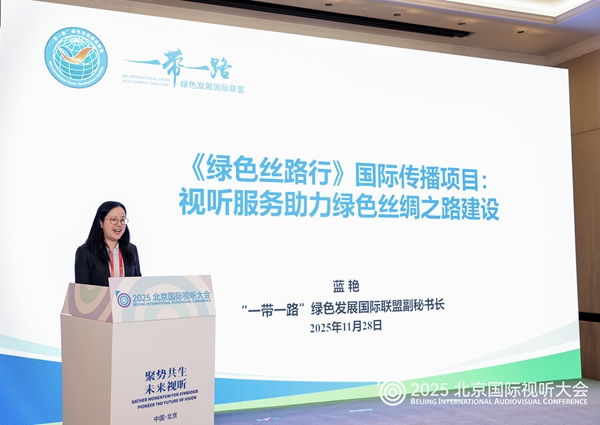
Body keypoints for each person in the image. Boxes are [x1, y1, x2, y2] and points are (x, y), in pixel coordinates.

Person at [75, 201, 141, 286]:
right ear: (101, 223)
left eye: (122, 220)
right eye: (113, 220)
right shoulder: (85, 253)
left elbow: (138, 285)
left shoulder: (132, 249)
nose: (119, 224)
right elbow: (82, 290)